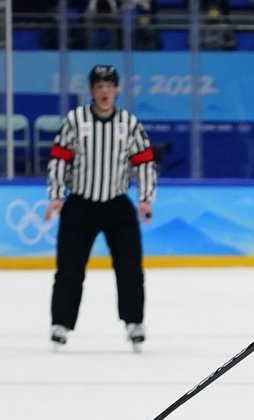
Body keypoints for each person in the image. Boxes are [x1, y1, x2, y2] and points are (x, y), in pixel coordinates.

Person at [44, 65, 157, 352]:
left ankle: (134, 322)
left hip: (117, 205)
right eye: (99, 86)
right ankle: (61, 323)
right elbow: (60, 159)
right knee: (69, 269)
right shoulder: (75, 120)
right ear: (91, 90)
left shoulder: (128, 124)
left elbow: (143, 161)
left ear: (117, 89)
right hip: (80, 204)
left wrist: (145, 198)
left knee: (130, 268)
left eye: (109, 86)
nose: (104, 91)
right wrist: (57, 195)